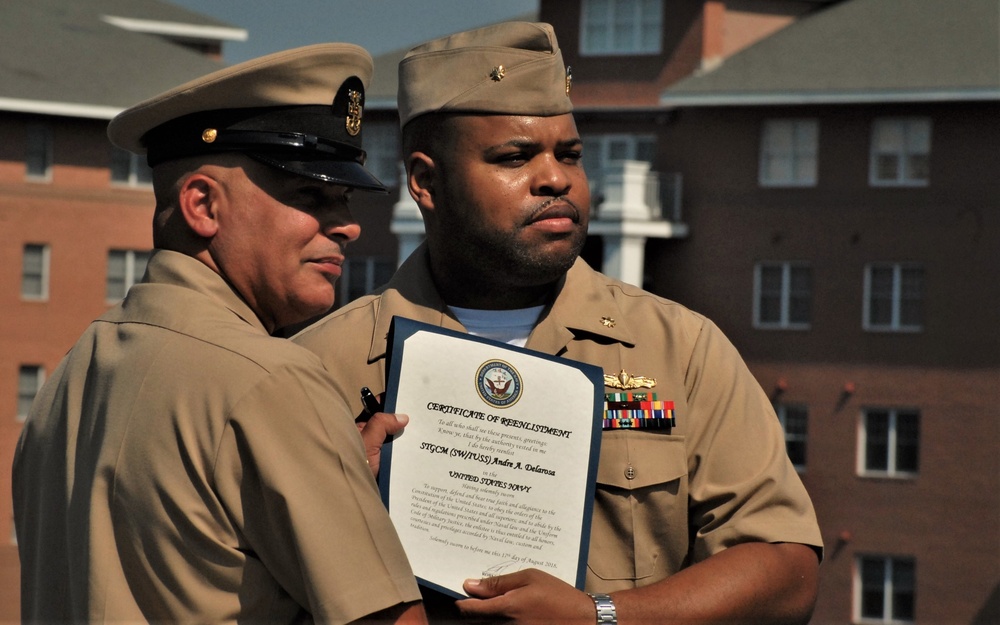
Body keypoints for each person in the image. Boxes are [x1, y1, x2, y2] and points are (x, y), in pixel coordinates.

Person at [292, 22, 823, 625]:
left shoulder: (679, 349)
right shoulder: (316, 368)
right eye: (515, 157)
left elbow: (787, 571)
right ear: (426, 182)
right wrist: (336, 509)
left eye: (569, 154)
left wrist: (601, 616)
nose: (555, 178)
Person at [12, 44, 427, 624]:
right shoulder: (272, 379)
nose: (349, 225)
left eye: (345, 198)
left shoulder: (70, 376)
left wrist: (324, 479)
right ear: (203, 205)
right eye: (310, 195)